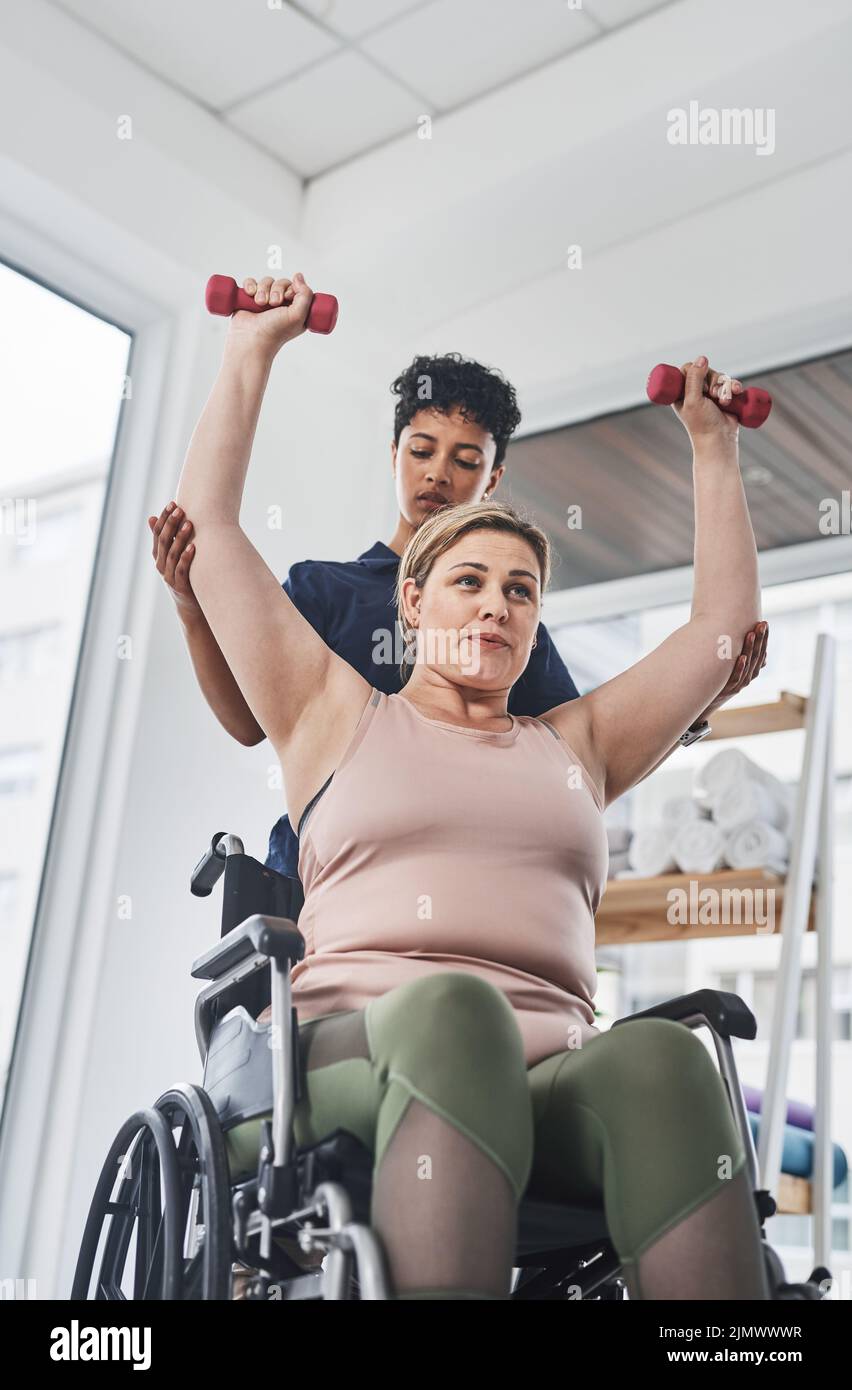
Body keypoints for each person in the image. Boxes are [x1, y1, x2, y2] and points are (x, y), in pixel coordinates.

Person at [167, 272, 772, 1301]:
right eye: (469, 582)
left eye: (521, 589)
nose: (496, 606)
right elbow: (212, 532)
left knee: (664, 1060)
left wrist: (714, 447)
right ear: (413, 595)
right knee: (459, 1013)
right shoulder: (334, 712)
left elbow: (718, 634)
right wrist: (250, 351)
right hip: (364, 1044)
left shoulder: (573, 741)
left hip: (550, 1068)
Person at [150, 301, 767, 882]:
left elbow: (596, 764)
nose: (439, 473)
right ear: (413, 603)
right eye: (422, 451)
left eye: (519, 591)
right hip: (321, 883)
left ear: (493, 478)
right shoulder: (326, 606)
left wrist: (697, 699)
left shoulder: (520, 654)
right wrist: (194, 607)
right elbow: (252, 717)